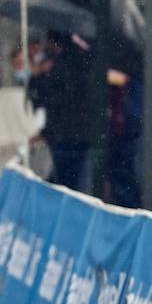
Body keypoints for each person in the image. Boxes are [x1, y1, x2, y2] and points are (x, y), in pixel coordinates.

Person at [26, 30, 94, 191]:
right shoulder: (84, 60)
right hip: (81, 133)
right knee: (80, 184)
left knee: (66, 183)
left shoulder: (57, 68)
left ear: (53, 43)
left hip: (62, 135)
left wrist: (38, 77)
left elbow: (45, 99)